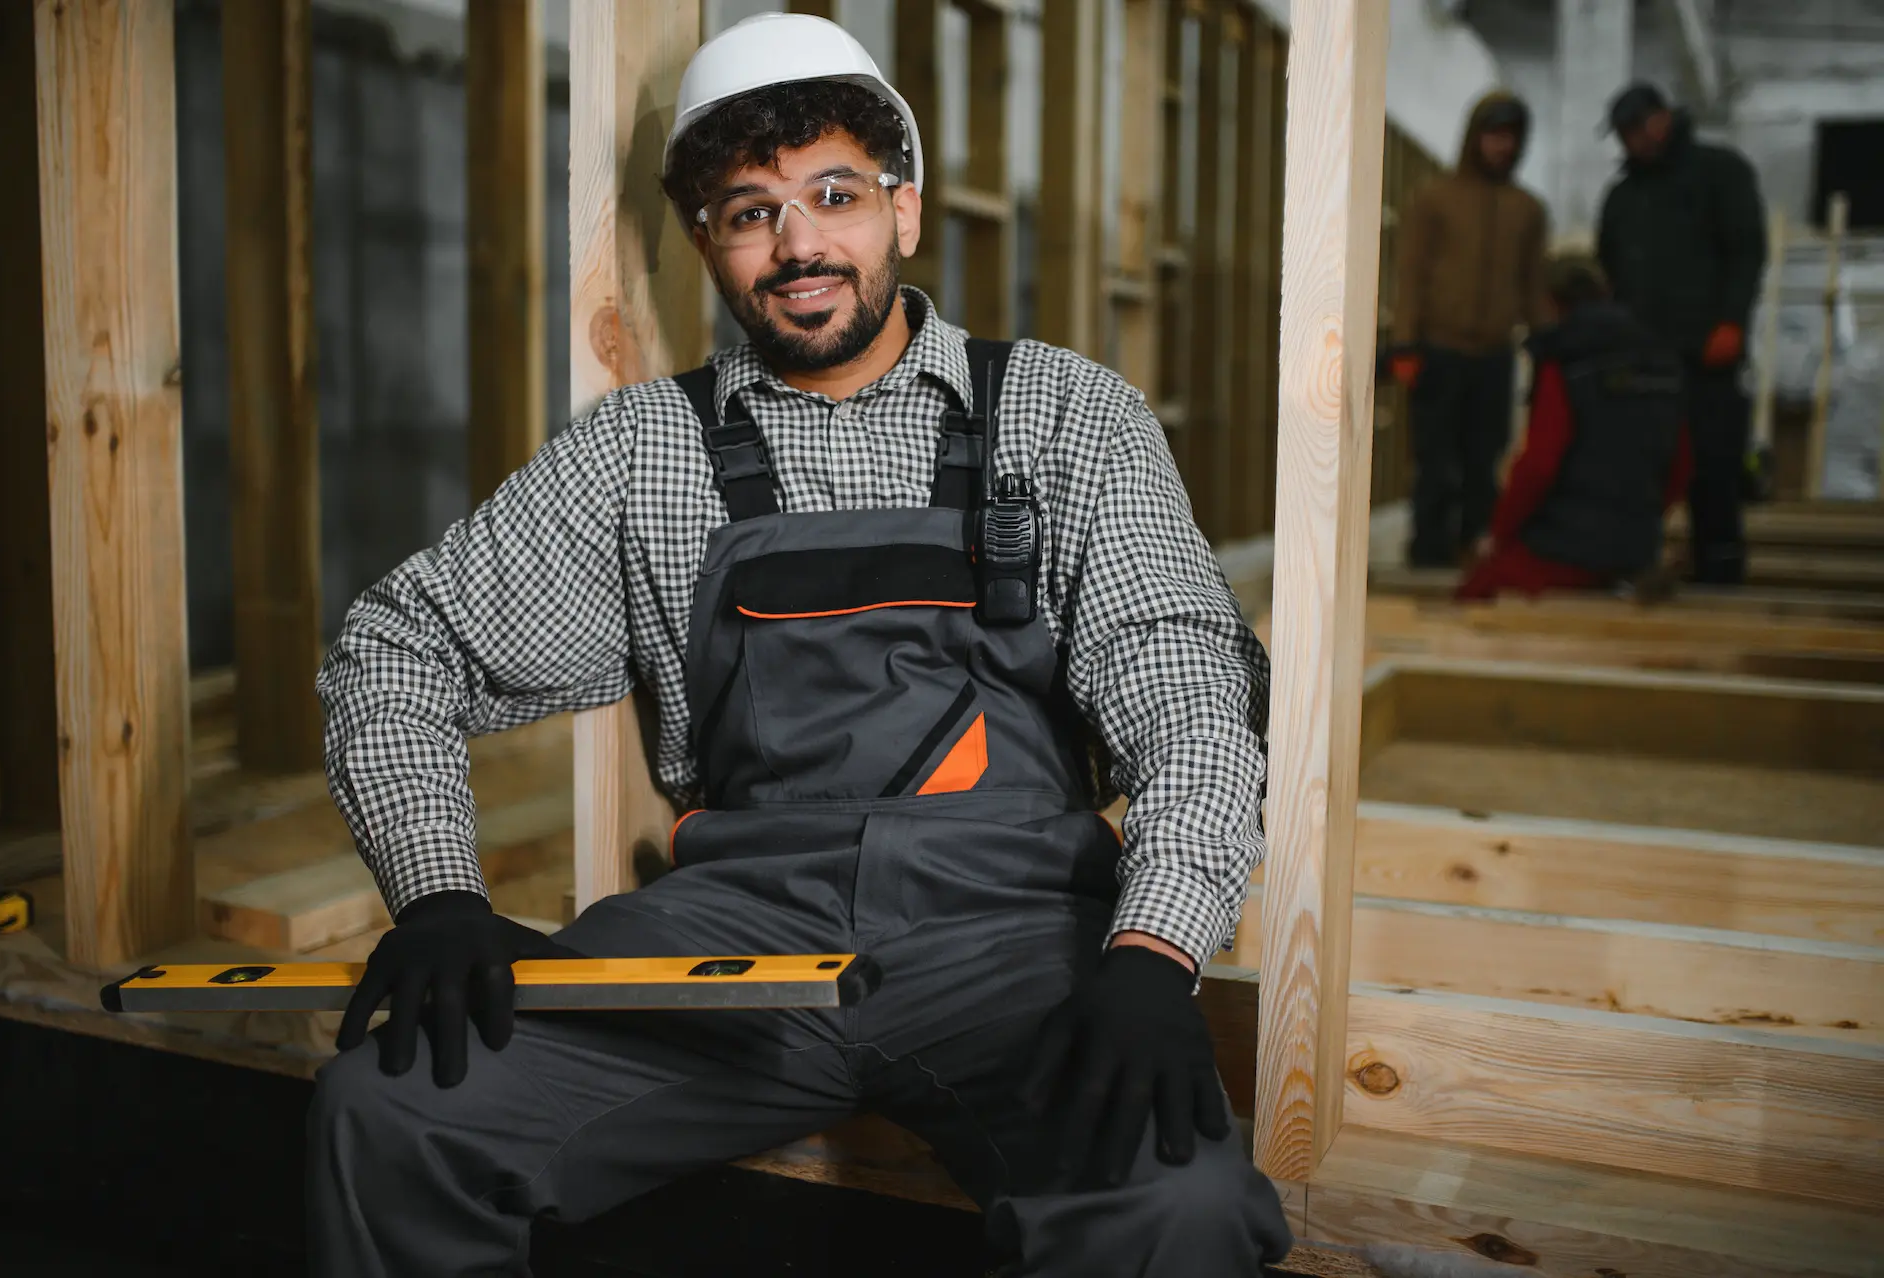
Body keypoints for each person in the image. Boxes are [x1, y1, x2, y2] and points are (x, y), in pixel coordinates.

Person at [305, 13, 1291, 1277]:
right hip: (730, 942)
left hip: (1014, 945)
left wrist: (1153, 954)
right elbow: (396, 645)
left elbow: (1190, 693)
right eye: (749, 212)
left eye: (835, 195)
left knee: (1182, 1210)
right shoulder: (644, 453)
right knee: (390, 1116)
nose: (799, 245)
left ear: (904, 211)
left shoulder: (1063, 415)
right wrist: (439, 895)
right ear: (707, 243)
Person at [1596, 81, 1767, 585]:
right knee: (1638, 473)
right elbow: (1610, 273)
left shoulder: (1721, 172)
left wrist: (1732, 321)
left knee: (1713, 470)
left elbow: (1746, 253)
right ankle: (1637, 571)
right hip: (1641, 359)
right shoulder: (1622, 198)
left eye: (1636, 128)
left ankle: (1720, 575)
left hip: (1707, 355)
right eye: (1623, 134)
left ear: (1662, 119)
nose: (1631, 141)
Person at [1457, 254, 1691, 602]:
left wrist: (1498, 534)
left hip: (1564, 549)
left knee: (1473, 596)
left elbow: (1539, 466)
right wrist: (1640, 522)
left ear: (1551, 303)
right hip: (1637, 549)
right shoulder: (1661, 362)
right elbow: (1680, 464)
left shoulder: (1566, 362)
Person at [1391, 91, 1554, 568]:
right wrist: (1405, 343)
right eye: (1494, 135)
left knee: (1485, 460)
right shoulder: (1434, 198)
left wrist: (1549, 344)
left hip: (1495, 355)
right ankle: (1428, 552)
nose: (1503, 146)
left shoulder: (1527, 209)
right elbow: (1411, 274)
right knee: (1434, 461)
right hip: (1438, 350)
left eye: (1512, 137)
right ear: (1475, 137)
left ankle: (1475, 549)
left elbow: (1533, 283)